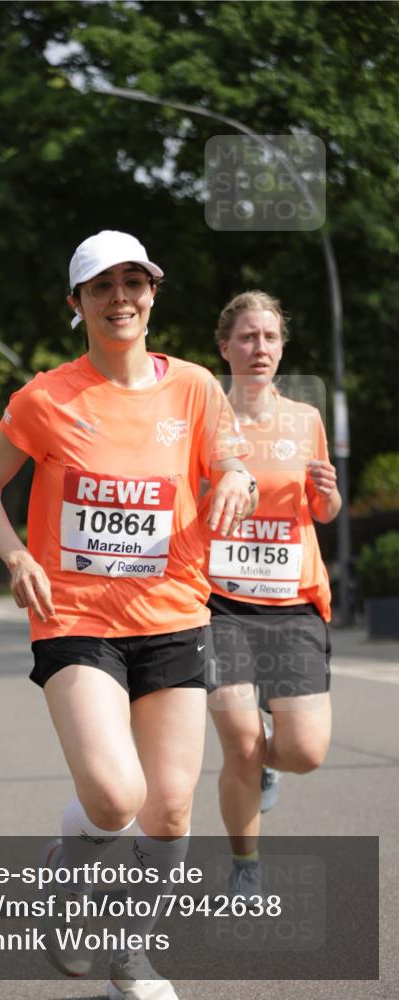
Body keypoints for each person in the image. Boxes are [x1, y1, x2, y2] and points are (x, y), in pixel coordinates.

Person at [0, 231, 257, 1000]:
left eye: (134, 282)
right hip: (74, 617)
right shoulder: (45, 397)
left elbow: (231, 462)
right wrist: (16, 556)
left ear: (153, 293)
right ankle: (67, 872)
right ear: (77, 304)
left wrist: (234, 480)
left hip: (172, 614)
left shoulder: (195, 386)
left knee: (167, 811)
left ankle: (130, 956)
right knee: (113, 797)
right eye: (101, 287)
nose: (119, 298)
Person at [200, 291, 340, 900]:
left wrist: (331, 492)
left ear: (282, 348)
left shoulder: (305, 419)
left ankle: (265, 775)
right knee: (240, 744)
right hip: (218, 605)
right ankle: (246, 865)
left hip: (293, 601)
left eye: (271, 338)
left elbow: (323, 511)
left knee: (304, 752)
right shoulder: (201, 419)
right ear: (225, 346)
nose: (260, 348)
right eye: (249, 337)